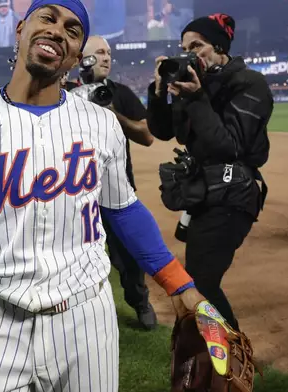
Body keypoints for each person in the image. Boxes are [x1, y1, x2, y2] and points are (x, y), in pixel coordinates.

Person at [0, 1, 204, 390]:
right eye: (47, 18)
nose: (58, 30)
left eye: (72, 29)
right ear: (20, 30)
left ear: (76, 56)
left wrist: (179, 284)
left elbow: (124, 211)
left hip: (85, 316)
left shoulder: (101, 124)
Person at [146, 13, 273, 332]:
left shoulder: (249, 83)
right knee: (197, 277)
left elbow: (227, 145)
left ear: (219, 48)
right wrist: (160, 92)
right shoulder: (194, 84)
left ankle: (231, 356)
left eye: (197, 45)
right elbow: (162, 131)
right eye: (184, 46)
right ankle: (217, 356)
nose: (189, 52)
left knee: (200, 282)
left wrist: (195, 96)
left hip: (234, 194)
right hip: (204, 190)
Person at [77, 35, 159, 330]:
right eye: (100, 52)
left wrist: (114, 115)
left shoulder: (118, 93)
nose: (107, 58)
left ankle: (140, 301)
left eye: (109, 53)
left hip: (117, 189)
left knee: (127, 254)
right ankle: (81, 311)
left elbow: (147, 136)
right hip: (71, 193)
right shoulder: (60, 92)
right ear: (81, 58)